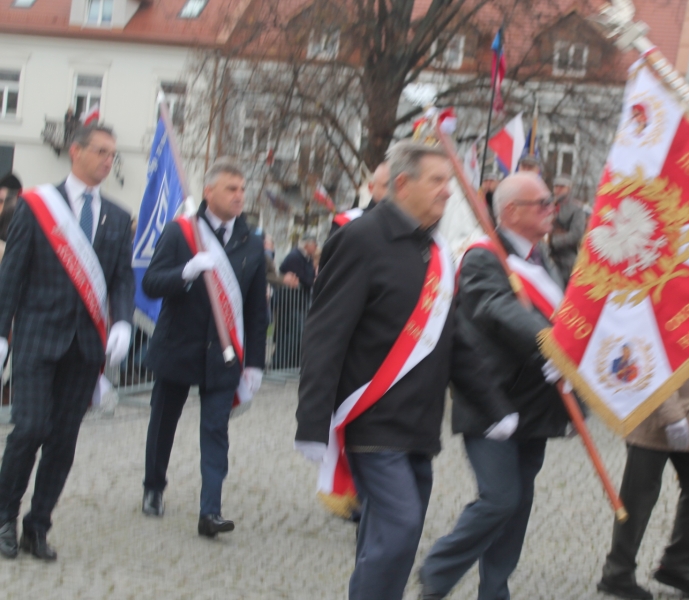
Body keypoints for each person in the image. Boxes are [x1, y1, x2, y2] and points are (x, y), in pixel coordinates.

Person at [294, 141, 517, 600]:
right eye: (437, 181)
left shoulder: (435, 251)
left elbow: (454, 341)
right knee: (399, 529)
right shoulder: (360, 239)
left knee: (392, 538)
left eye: (448, 182)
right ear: (402, 184)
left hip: (419, 426)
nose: (448, 191)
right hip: (372, 421)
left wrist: (494, 407)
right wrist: (312, 423)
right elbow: (325, 334)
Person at [418, 172, 569, 600]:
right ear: (511, 212)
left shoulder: (542, 258)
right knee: (500, 498)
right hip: (492, 399)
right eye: (542, 203)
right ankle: (437, 572)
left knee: (518, 504)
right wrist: (549, 344)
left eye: (550, 201)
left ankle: (495, 590)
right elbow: (496, 307)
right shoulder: (483, 257)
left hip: (536, 401)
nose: (551, 209)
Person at [0, 124, 134, 560]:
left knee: (62, 441)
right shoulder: (36, 206)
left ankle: (37, 526)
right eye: (101, 151)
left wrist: (122, 321)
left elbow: (121, 279)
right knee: (30, 428)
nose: (108, 161)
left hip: (86, 347)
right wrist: (1, 333)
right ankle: (3, 516)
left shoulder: (117, 216)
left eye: (113, 154)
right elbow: (11, 274)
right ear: (75, 151)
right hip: (38, 338)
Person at [140, 158, 267, 538]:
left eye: (242, 189)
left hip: (224, 354)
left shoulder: (252, 242)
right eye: (231, 189)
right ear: (208, 192)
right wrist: (187, 271)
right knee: (164, 422)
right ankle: (153, 487)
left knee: (215, 430)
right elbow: (151, 283)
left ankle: (210, 510)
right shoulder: (181, 232)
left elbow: (256, 311)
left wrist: (255, 364)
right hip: (179, 344)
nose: (239, 196)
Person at [597, 374, 689, 599]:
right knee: (638, 496)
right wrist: (671, 414)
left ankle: (677, 566)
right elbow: (651, 365)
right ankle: (617, 572)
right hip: (652, 413)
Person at [272, 235, 316, 369]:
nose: (316, 248)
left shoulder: (307, 258)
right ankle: (280, 363)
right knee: (292, 333)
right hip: (290, 303)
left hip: (299, 303)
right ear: (307, 245)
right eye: (314, 244)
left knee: (299, 333)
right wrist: (312, 281)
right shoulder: (295, 257)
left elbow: (310, 276)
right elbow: (304, 278)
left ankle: (292, 363)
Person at [329, 161, 390, 236]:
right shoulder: (348, 221)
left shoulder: (402, 223)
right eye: (387, 185)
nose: (393, 191)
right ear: (371, 188)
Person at [548, 175, 585, 283]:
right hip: (545, 254)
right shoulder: (547, 204)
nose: (558, 189)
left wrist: (553, 242)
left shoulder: (576, 208)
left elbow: (576, 234)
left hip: (565, 256)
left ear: (569, 188)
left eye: (562, 187)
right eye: (556, 186)